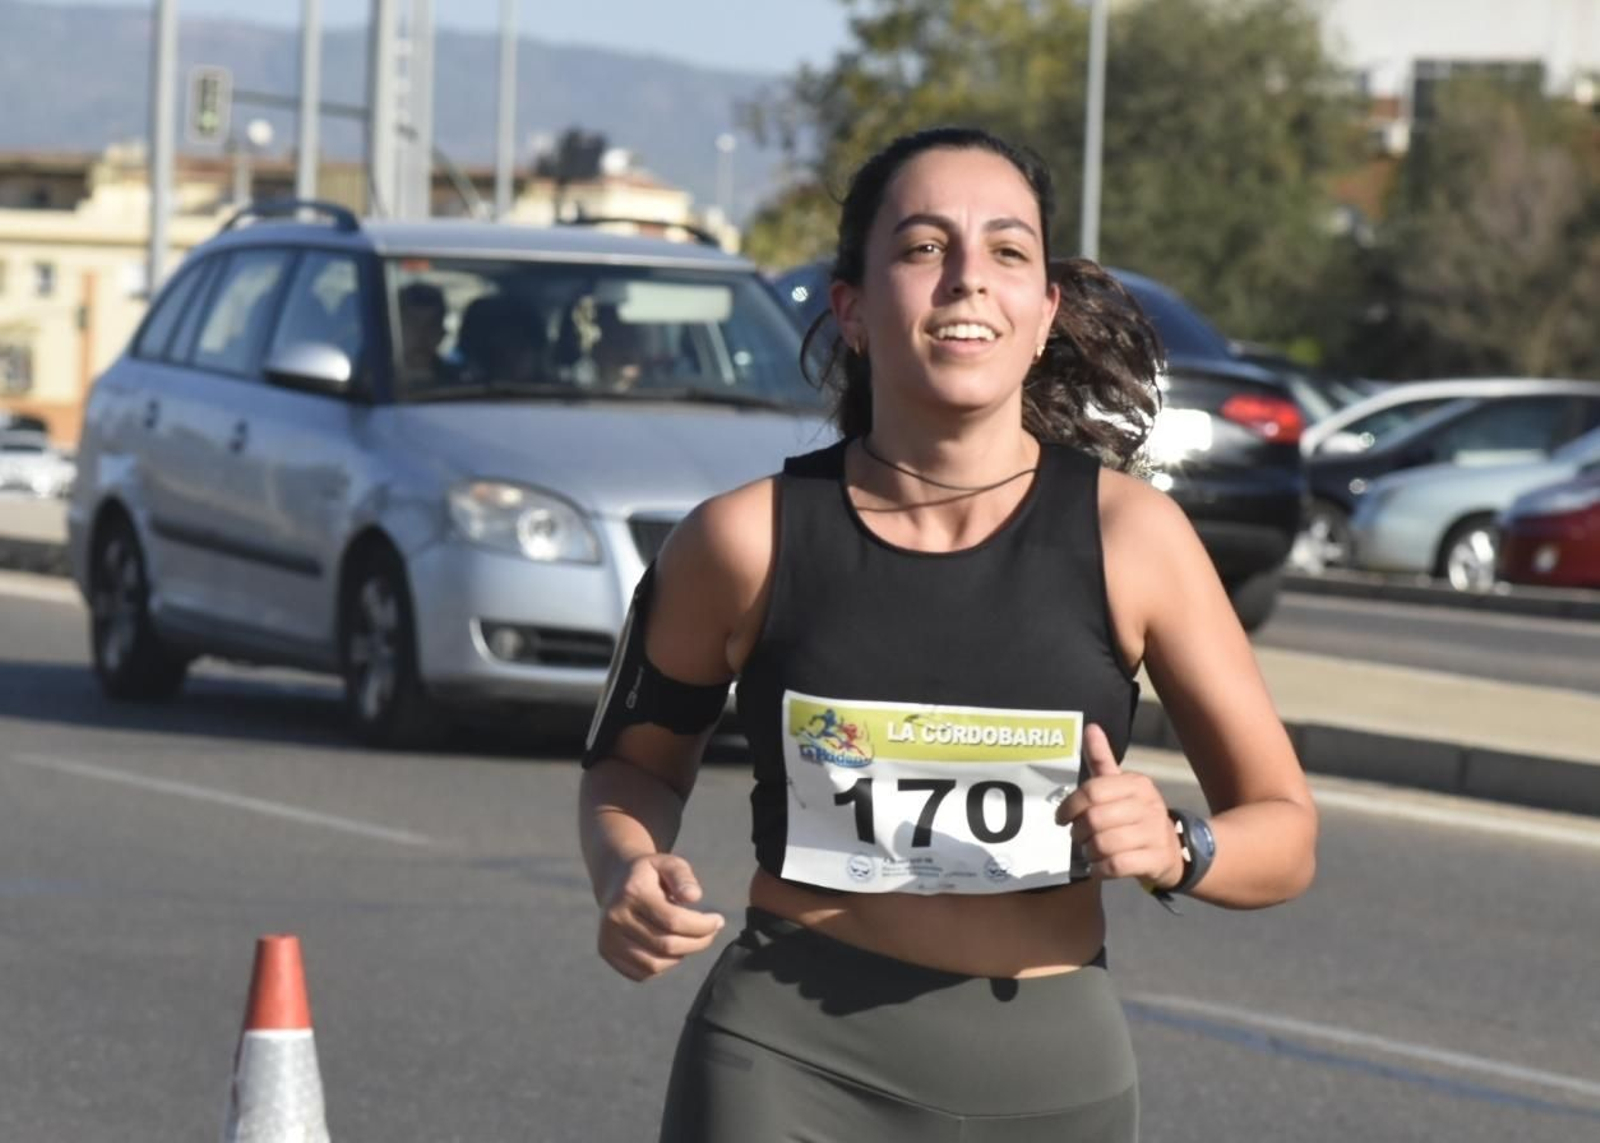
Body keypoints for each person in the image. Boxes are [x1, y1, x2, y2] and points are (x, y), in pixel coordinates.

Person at [578, 125, 1318, 1142]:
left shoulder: (1134, 539)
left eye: (1008, 251)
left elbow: (1283, 831)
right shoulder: (742, 540)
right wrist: (626, 869)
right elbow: (631, 770)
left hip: (1052, 1078)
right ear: (851, 309)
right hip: (784, 1063)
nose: (967, 279)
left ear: (1044, 307)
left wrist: (1180, 846)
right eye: (923, 248)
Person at [396, 282, 454, 389]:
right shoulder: (365, 388)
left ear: (442, 332)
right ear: (395, 329)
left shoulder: (463, 384)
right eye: (413, 324)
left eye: (431, 326)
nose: (422, 335)